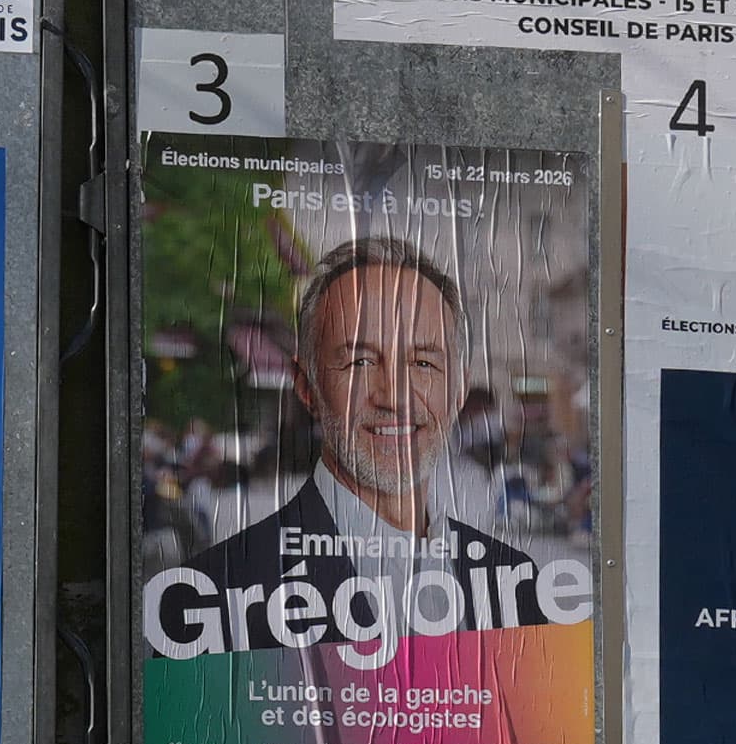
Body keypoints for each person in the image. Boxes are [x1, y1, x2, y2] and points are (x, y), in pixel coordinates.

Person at [157, 235, 557, 653]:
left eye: (423, 363)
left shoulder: (515, 588)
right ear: (307, 387)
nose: (394, 396)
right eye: (360, 362)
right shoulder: (214, 597)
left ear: (457, 391)